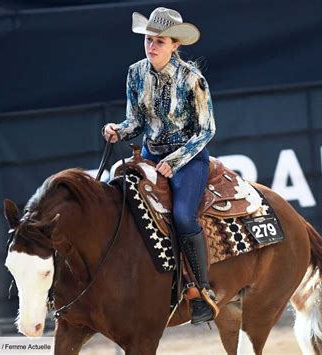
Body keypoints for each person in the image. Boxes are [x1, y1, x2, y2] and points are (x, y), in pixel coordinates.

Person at [102, 7, 217, 324]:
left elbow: (206, 131)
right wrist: (117, 130)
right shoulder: (135, 73)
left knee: (182, 215)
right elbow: (136, 121)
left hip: (187, 158)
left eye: (160, 41)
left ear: (175, 45)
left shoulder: (193, 79)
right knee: (122, 206)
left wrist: (174, 161)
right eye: (149, 40)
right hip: (151, 155)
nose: (152, 47)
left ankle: (200, 292)